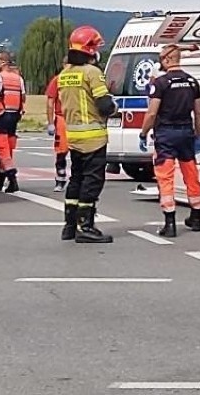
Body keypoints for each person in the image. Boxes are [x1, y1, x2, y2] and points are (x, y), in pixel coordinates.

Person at [57, 25, 117, 243]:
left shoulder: (65, 74)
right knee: (92, 182)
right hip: (93, 137)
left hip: (74, 137)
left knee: (76, 180)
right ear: (90, 49)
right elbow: (104, 105)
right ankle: (86, 226)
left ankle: (70, 225)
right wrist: (114, 107)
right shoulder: (92, 73)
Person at [139, 44, 200, 238]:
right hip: (186, 133)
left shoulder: (160, 84)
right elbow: (198, 113)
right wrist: (198, 136)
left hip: (166, 135)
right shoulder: (192, 82)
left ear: (167, 60)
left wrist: (143, 133)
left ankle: (170, 223)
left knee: (165, 178)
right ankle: (196, 217)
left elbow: (152, 113)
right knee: (191, 175)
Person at [0, 51, 26, 193]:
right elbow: (23, 97)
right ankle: (1, 175)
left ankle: (12, 178)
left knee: (1, 147)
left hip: (0, 115)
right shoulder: (18, 78)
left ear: (3, 62)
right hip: (14, 116)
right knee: (8, 147)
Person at [45, 61, 70, 192]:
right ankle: (62, 178)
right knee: (64, 151)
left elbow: (50, 103)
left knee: (62, 152)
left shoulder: (57, 79)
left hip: (64, 118)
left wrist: (50, 122)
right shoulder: (59, 80)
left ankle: (61, 179)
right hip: (71, 118)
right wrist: (50, 123)